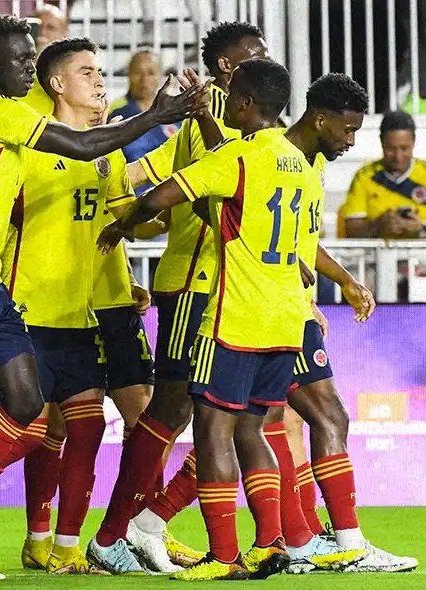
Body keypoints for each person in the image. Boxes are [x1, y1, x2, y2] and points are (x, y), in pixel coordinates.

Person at [0, 13, 205, 580]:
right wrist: (159, 115)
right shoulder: (15, 120)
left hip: (55, 299)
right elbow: (79, 151)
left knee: (47, 413)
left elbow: (109, 209)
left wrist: (124, 243)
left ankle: (62, 539)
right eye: (21, 60)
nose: (28, 69)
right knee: (8, 412)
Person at [99, 57, 322, 581]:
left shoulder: (237, 159)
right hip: (285, 319)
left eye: (232, 97)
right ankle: (268, 544)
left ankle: (223, 556)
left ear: (244, 103)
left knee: (212, 430)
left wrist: (123, 225)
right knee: (256, 431)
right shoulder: (302, 165)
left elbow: (161, 195)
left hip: (233, 318)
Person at [90, 22, 270, 575]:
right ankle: (120, 533)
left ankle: (142, 526)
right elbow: (181, 184)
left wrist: (124, 213)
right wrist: (124, 213)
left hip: (226, 286)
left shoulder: (232, 114)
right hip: (199, 283)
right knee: (186, 410)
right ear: (223, 67)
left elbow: (158, 181)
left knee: (219, 415)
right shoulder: (218, 113)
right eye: (252, 55)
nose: (263, 60)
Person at [271, 79, 420, 574]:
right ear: (320, 119)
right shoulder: (275, 156)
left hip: (289, 306)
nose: (352, 141)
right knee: (316, 419)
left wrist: (347, 282)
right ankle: (339, 542)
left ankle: (297, 539)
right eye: (348, 129)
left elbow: (299, 242)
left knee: (257, 425)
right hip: (270, 310)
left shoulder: (309, 163)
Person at [339, 110, 426, 239]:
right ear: (381, 142)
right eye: (391, 149)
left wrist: (421, 228)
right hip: (376, 257)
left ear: (414, 142)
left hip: (420, 257)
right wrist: (379, 225)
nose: (398, 156)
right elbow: (351, 229)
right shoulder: (364, 176)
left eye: (404, 148)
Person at [107, 50, 181, 163]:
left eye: (151, 73)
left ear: (161, 76)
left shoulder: (175, 111)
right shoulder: (116, 113)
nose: (144, 79)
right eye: (137, 72)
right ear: (128, 74)